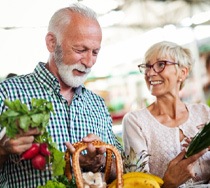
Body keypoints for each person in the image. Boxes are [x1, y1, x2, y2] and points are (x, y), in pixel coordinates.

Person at [0, 3, 122, 187]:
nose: (89, 62)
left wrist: (102, 162)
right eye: (80, 50)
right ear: (51, 42)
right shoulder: (7, 94)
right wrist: (2, 150)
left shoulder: (97, 104)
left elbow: (121, 171)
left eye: (95, 52)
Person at [122, 41, 210, 188]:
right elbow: (137, 184)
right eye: (147, 66)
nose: (150, 73)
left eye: (160, 64)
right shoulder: (136, 122)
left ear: (183, 72)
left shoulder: (204, 113)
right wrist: (168, 183)